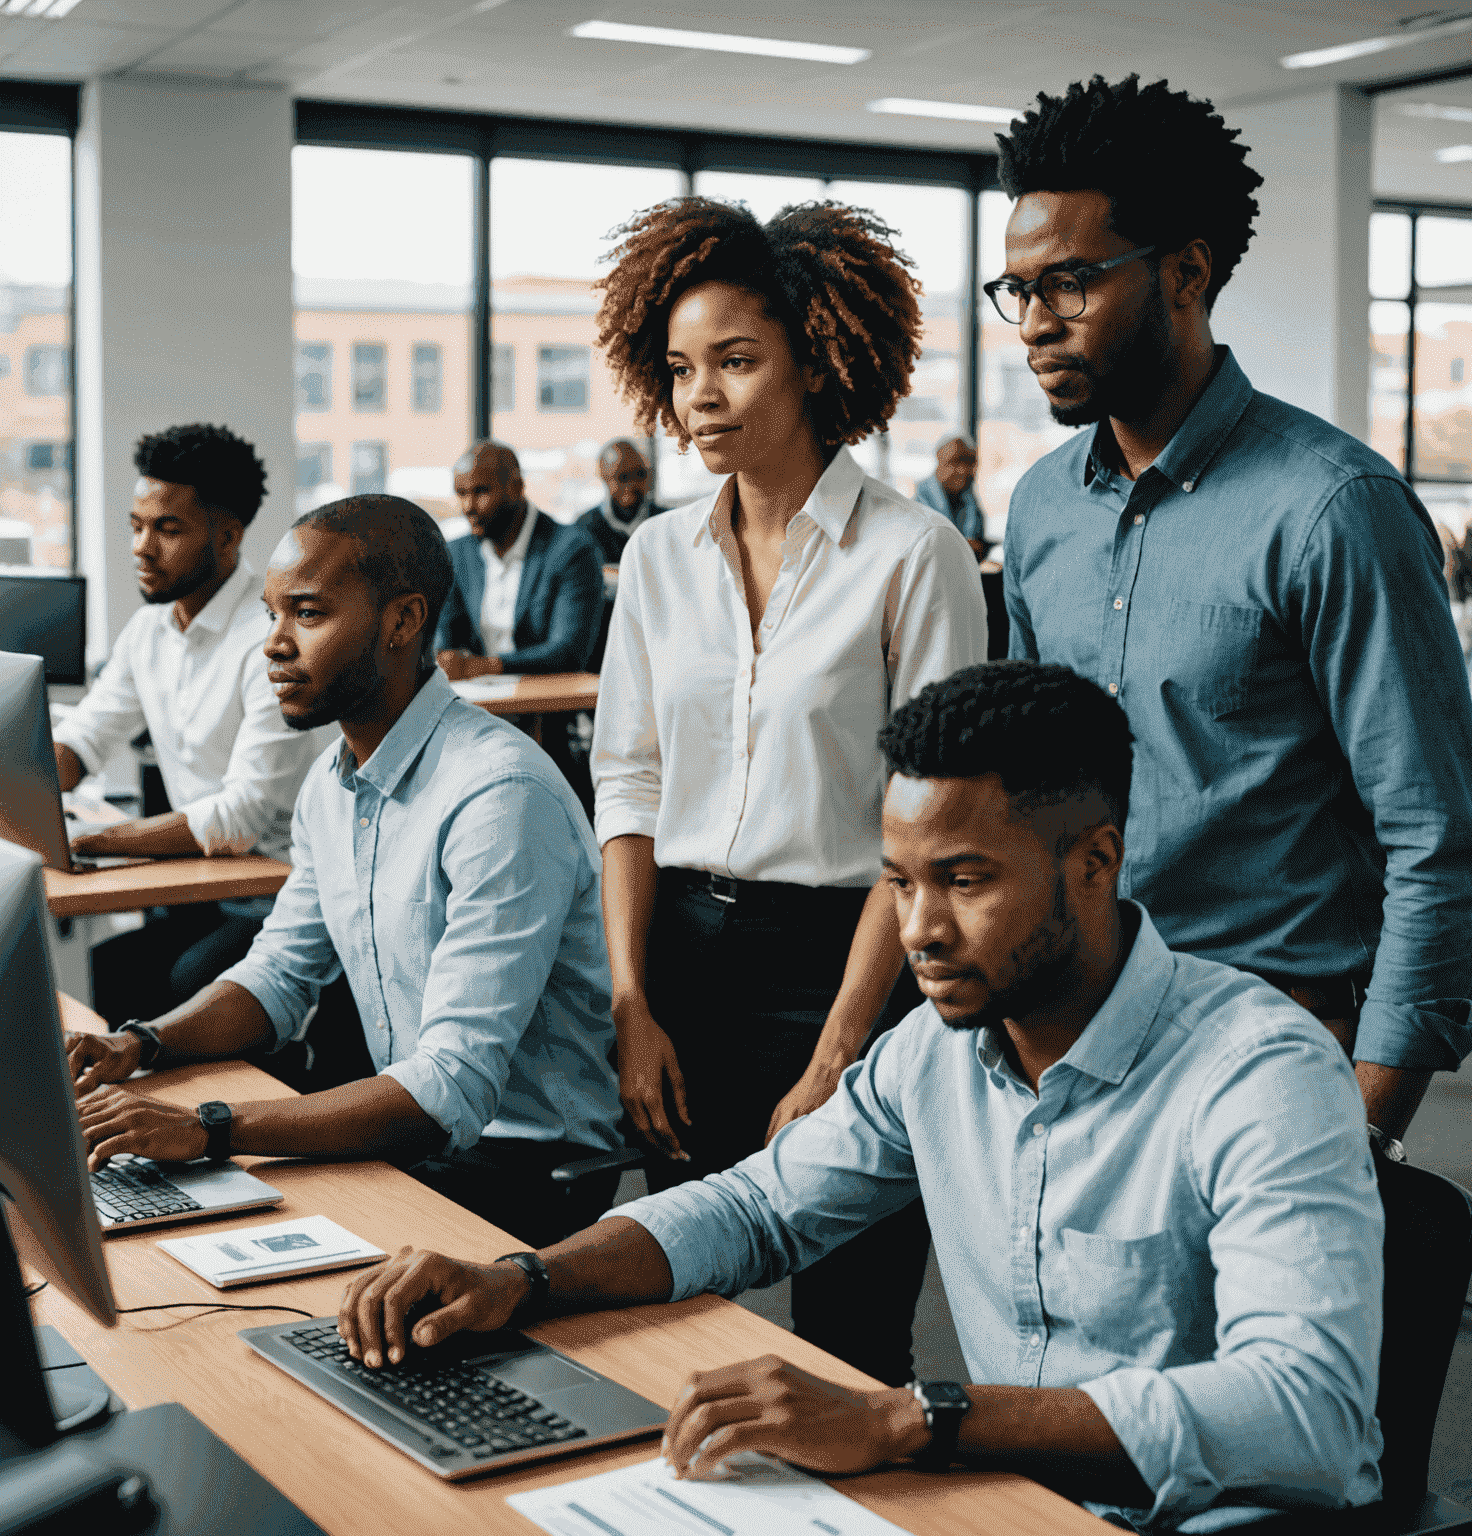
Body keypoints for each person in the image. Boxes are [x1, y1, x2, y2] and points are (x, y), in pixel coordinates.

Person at [338, 661, 1385, 1532]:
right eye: (899, 880)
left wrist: (908, 1419)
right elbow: (752, 1208)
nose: (920, 929)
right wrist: (523, 1278)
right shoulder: (933, 1049)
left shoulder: (1261, 1073)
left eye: (966, 881)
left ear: (1096, 863)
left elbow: (1307, 1411)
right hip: (992, 1503)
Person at [991, 74, 1472, 1142]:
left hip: (1278, 1051)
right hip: (1087, 1041)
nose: (1035, 323)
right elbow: (1040, 797)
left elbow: (1435, 842)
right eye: (1019, 290)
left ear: (1186, 272)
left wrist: (1368, 1124)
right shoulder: (1040, 511)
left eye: (1071, 283)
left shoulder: (1332, 510)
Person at [587, 196, 988, 1388]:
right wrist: (630, 1003)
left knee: (850, 1335)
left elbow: (925, 833)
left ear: (817, 358)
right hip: (684, 966)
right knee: (669, 1310)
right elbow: (630, 781)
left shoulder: (916, 557)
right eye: (680, 369)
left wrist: (840, 1052)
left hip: (853, 963)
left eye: (735, 361)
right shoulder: (657, 558)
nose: (699, 395)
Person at [67, 495, 624, 1248]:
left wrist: (206, 1128)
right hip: (418, 1142)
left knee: (223, 1268)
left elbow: (449, 1087)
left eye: (307, 614)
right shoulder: (333, 785)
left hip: (519, 1169)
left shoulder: (499, 797)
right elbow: (276, 977)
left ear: (403, 622)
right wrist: (139, 1045)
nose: (273, 644)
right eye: (270, 614)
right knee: (163, 1230)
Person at [52, 424, 328, 1027]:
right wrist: (30, 779)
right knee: (112, 971)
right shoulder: (150, 632)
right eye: (136, 525)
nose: (142, 547)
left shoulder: (270, 641)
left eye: (168, 529)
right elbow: (86, 735)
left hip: (276, 900)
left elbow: (238, 818)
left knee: (175, 982)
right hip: (198, 893)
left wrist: (94, 842)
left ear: (229, 534)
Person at [433, 440, 603, 679]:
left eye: (481, 492)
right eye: (461, 493)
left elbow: (568, 651)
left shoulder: (571, 550)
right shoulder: (458, 555)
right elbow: (445, 644)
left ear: (517, 487)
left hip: (543, 705)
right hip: (476, 703)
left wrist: (484, 667)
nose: (468, 506)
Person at [576, 438, 658, 566]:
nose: (632, 484)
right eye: (623, 477)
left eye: (639, 474)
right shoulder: (586, 528)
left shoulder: (663, 521)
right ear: (605, 478)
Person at [913, 432, 987, 556]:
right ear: (939, 463)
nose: (964, 470)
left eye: (970, 463)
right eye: (956, 462)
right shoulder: (917, 507)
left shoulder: (972, 506)